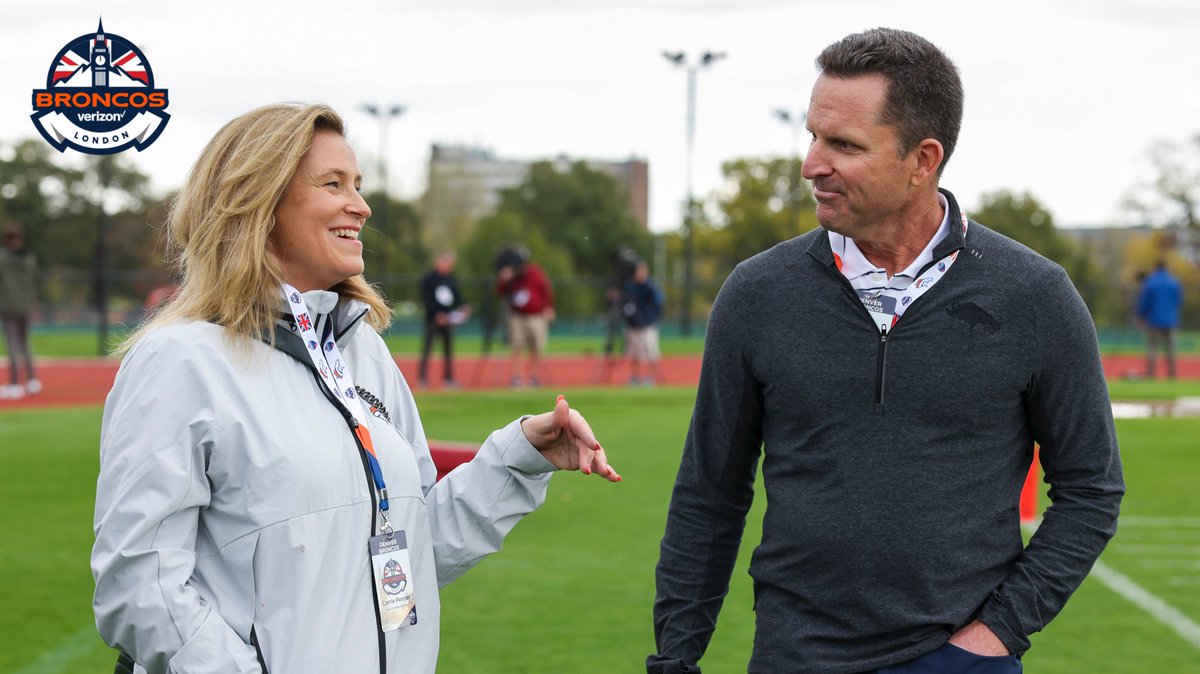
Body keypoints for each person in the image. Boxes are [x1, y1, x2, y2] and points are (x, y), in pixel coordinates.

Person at [648, 28, 1123, 674]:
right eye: (812, 135)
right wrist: (675, 657)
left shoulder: (1034, 297)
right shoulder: (757, 294)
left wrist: (994, 636)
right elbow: (710, 492)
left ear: (922, 159)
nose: (812, 163)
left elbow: (1092, 490)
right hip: (793, 657)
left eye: (842, 144)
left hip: (957, 660)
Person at [91, 103, 621, 674]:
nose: (361, 207)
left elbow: (411, 545)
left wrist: (516, 460)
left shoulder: (363, 350)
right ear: (259, 202)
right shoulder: (181, 361)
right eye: (333, 184)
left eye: (359, 185)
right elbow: (139, 580)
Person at [496, 246, 554, 387]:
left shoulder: (535, 272)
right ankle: (517, 377)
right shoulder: (511, 276)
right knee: (517, 346)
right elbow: (500, 292)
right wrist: (504, 279)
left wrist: (549, 307)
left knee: (536, 347)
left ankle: (533, 376)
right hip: (517, 316)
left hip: (535, 316)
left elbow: (546, 290)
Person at [0, 222, 40, 399]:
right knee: (25, 346)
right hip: (25, 306)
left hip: (8, 307)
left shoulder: (3, 259)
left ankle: (16, 384)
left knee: (14, 346)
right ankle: (32, 382)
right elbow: (32, 283)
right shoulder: (29, 259)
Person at [418, 251, 469, 388]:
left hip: (448, 320)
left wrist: (464, 307)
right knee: (427, 349)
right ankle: (422, 379)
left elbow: (457, 297)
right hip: (432, 320)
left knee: (448, 350)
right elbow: (426, 299)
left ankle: (448, 379)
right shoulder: (429, 279)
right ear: (439, 262)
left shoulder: (450, 280)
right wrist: (436, 315)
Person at [1137, 261, 1184, 379]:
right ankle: (1172, 374)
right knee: (1171, 349)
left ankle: (1152, 374)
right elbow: (1179, 300)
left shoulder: (1150, 282)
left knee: (1152, 348)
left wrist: (1141, 316)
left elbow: (1144, 302)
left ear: (1155, 268)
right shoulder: (1174, 282)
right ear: (1167, 268)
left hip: (1153, 320)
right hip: (1170, 320)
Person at [623, 259, 664, 386]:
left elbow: (659, 302)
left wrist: (650, 319)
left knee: (650, 352)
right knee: (634, 353)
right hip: (633, 326)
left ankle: (649, 377)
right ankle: (635, 377)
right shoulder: (630, 286)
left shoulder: (651, 286)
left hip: (648, 326)